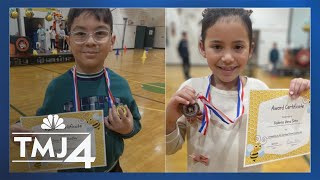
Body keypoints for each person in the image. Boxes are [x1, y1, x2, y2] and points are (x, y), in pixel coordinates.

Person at [166, 8, 310, 172]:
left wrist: (301, 100)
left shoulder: (260, 90)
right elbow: (170, 148)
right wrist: (169, 120)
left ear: (250, 49)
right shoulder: (190, 90)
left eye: (238, 46)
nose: (227, 57)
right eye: (217, 46)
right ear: (202, 47)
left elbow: (284, 136)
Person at [10, 8, 141, 172]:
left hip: (112, 169)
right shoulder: (57, 88)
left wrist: (127, 128)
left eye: (100, 33)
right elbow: (40, 123)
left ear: (112, 42)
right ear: (69, 40)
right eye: (80, 34)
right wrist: (20, 130)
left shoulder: (121, 85)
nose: (91, 41)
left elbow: (135, 122)